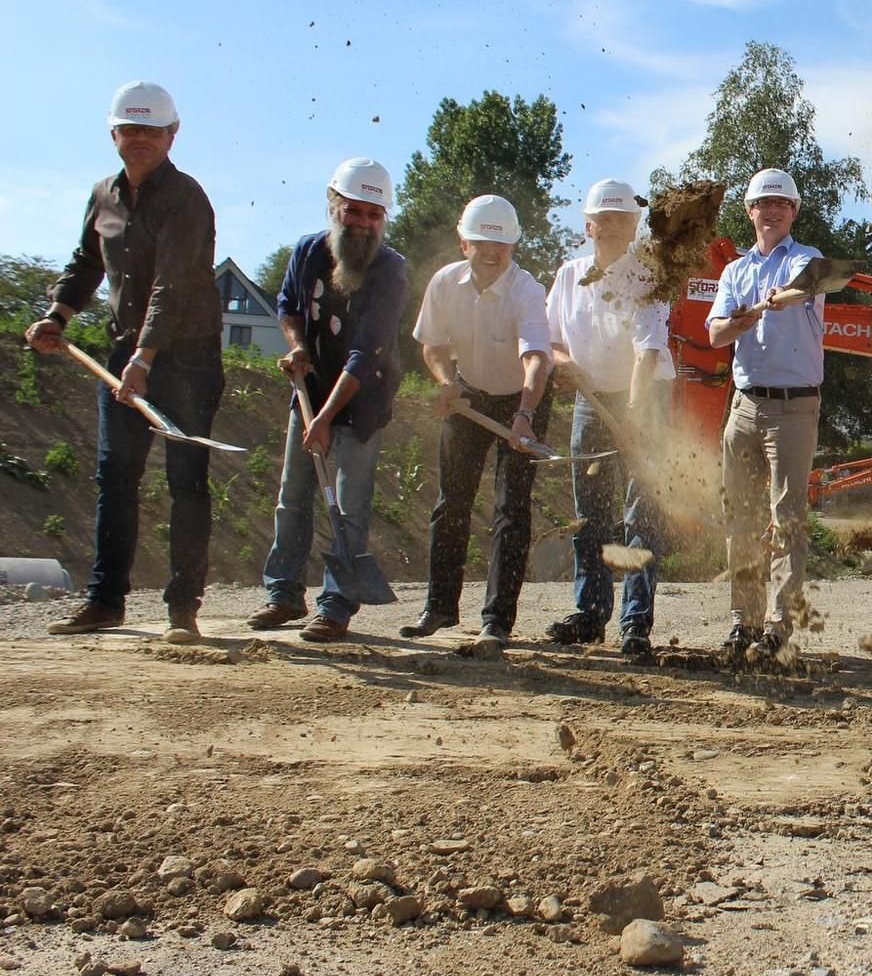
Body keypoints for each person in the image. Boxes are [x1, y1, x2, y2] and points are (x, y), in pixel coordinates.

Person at [30, 82, 223, 644]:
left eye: (151, 131)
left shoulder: (187, 197)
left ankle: (182, 607)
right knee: (115, 475)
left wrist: (145, 357)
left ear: (172, 135)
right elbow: (86, 262)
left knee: (187, 479)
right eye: (130, 130)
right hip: (125, 351)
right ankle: (105, 601)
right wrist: (58, 316)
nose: (139, 140)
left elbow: (173, 284)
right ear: (114, 133)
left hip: (187, 359)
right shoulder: (102, 195)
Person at [249, 158, 410, 641]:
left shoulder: (391, 270)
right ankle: (283, 594)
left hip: (363, 401)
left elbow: (366, 354)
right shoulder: (307, 252)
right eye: (353, 211)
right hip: (310, 391)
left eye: (373, 215)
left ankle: (337, 604)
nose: (362, 224)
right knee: (292, 495)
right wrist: (297, 345)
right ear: (333, 205)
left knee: (347, 503)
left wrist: (326, 418)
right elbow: (287, 306)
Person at [404, 195, 554, 644]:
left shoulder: (526, 289)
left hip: (521, 399)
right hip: (468, 394)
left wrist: (525, 415)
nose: (491, 253)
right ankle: (439, 608)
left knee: (511, 508)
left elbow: (536, 361)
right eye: (481, 243)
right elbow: (431, 346)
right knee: (451, 501)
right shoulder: (444, 284)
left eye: (501, 245)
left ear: (512, 245)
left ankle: (496, 622)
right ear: (463, 242)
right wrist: (446, 381)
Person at [544, 179, 671, 661]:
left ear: (634, 226)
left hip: (646, 396)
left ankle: (635, 622)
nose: (614, 228)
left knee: (642, 513)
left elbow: (647, 355)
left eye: (624, 220)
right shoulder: (568, 275)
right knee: (590, 512)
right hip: (590, 398)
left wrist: (637, 414)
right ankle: (591, 613)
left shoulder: (647, 278)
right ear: (589, 225)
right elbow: (552, 338)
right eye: (606, 220)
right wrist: (560, 362)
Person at [705, 169, 826, 661]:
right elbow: (715, 334)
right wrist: (751, 311)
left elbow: (808, 286)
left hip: (794, 406)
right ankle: (744, 618)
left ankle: (778, 623)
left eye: (781, 204)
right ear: (750, 211)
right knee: (742, 516)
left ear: (793, 211)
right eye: (762, 203)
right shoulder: (735, 272)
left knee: (787, 516)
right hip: (746, 405)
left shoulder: (806, 258)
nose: (771, 211)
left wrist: (774, 300)